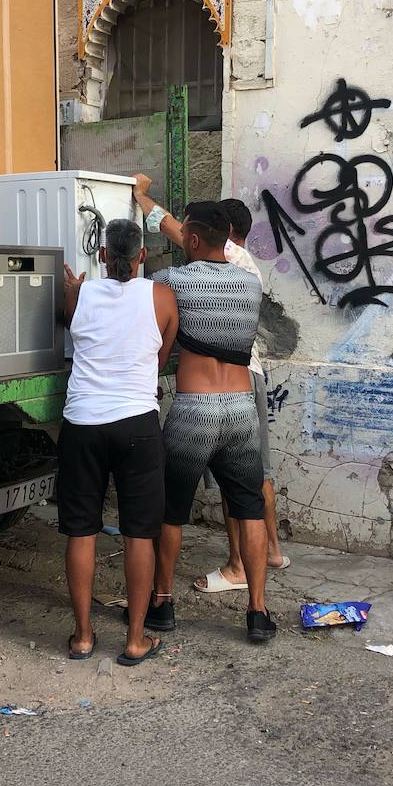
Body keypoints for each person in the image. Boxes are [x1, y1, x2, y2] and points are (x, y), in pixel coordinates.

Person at [130, 176, 288, 592]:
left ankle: (161, 601)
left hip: (196, 408)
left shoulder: (175, 282)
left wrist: (143, 200)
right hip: (239, 404)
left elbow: (147, 311)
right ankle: (258, 609)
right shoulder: (251, 281)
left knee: (171, 512)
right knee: (248, 503)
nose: (182, 236)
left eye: (187, 232)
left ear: (198, 238)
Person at [60, 219, 179, 666]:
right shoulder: (163, 297)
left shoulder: (79, 294)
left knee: (81, 529)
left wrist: (73, 288)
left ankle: (83, 637)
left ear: (104, 256)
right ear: (143, 255)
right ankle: (134, 640)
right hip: (136, 425)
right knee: (139, 533)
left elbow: (70, 324)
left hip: (82, 424)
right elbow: (161, 355)